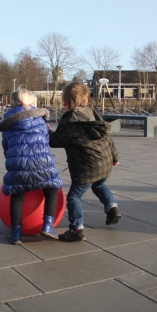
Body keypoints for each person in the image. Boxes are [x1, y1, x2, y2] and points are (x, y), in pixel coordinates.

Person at [49, 82, 120, 242]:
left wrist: (47, 131)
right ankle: (112, 208)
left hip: (86, 168)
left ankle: (77, 228)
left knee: (74, 197)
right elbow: (107, 137)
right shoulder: (94, 114)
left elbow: (55, 141)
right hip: (105, 163)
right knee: (100, 184)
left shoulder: (69, 121)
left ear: (65, 102)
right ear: (87, 100)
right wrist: (115, 157)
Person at [0, 88, 63, 245]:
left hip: (19, 165)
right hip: (42, 163)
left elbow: (6, 148)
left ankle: (16, 234)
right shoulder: (41, 120)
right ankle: (47, 225)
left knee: (17, 196)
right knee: (51, 189)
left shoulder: (8, 125)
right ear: (33, 103)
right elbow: (46, 142)